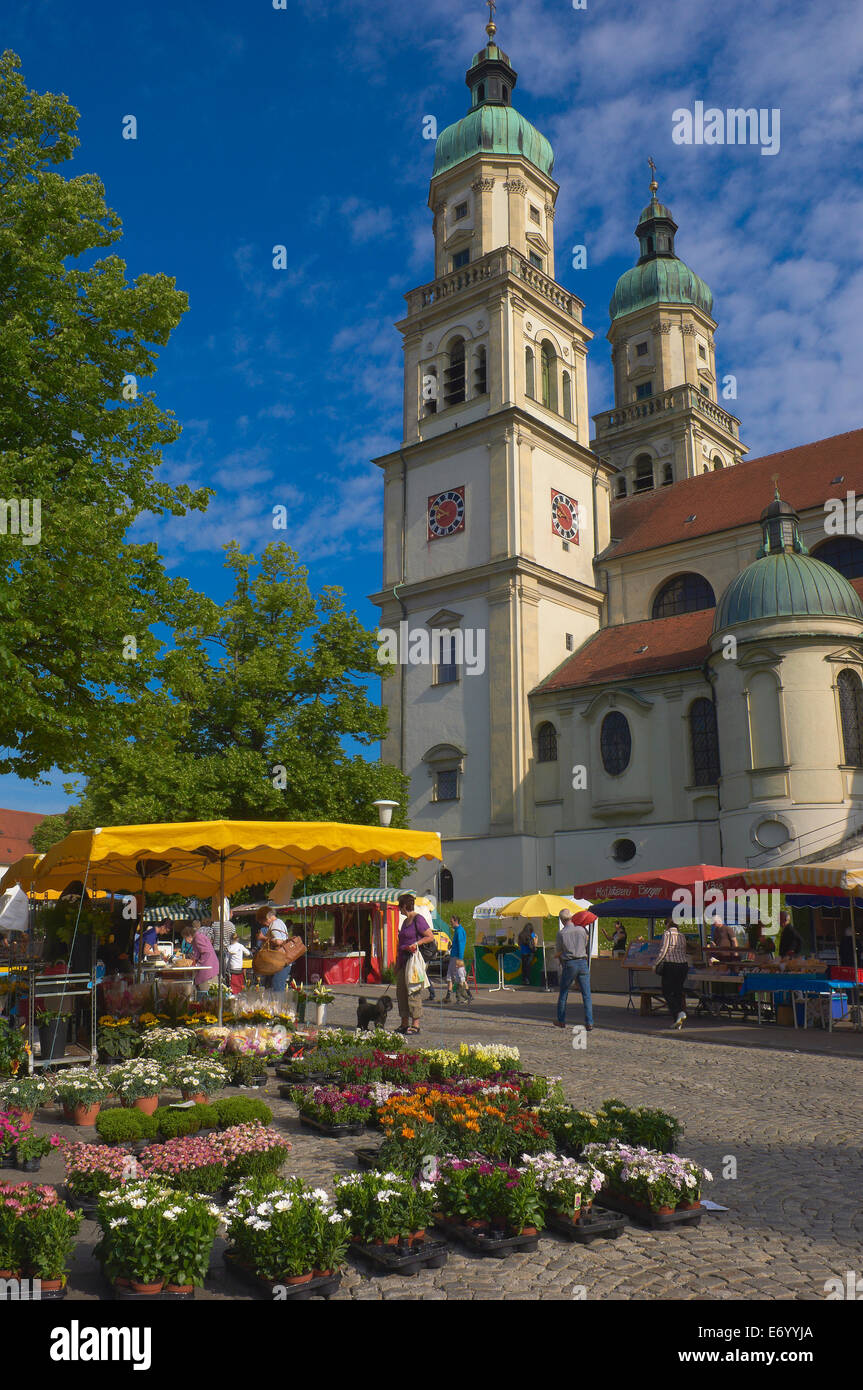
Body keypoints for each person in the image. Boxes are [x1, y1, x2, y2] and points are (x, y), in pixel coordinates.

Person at [395, 892, 435, 1035]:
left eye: (400, 907)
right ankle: (404, 1023)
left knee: (413, 991)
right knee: (401, 993)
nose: (399, 910)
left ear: (405, 906)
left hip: (413, 961)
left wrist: (416, 943)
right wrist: (397, 964)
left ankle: (415, 1024)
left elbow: (430, 936)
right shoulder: (405, 922)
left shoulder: (418, 919)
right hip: (403, 960)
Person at [553, 909, 593, 1031]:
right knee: (586, 995)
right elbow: (586, 943)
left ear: (561, 919)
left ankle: (561, 1020)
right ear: (571, 917)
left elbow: (559, 951)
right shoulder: (581, 930)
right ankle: (589, 1022)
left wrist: (560, 959)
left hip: (570, 963)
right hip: (582, 962)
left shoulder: (561, 934)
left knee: (564, 993)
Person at [655, 918, 689, 1029]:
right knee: (678, 992)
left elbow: (663, 951)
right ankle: (678, 1020)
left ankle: (679, 1012)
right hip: (683, 965)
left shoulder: (667, 934)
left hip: (671, 965)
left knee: (667, 992)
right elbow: (684, 951)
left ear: (668, 924)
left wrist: (655, 964)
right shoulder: (681, 935)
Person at [258, 907, 294, 992]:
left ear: (267, 917)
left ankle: (280, 1004)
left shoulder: (274, 924)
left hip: (280, 960)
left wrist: (263, 938)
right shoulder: (280, 922)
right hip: (284, 960)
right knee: (277, 985)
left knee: (277, 987)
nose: (263, 924)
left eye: (262, 921)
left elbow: (279, 941)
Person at [181, 923, 220, 999]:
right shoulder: (198, 937)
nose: (185, 940)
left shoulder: (198, 938)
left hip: (207, 971)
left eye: (185, 938)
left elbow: (206, 953)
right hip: (209, 969)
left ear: (189, 936)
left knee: (205, 996)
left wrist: (198, 964)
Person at [444, 915, 472, 1004]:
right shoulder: (457, 930)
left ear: (456, 921)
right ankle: (450, 996)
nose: (450, 923)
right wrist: (451, 946)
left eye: (451, 922)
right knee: (450, 976)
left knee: (460, 977)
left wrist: (460, 959)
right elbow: (457, 944)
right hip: (454, 956)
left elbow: (461, 945)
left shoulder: (459, 931)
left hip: (457, 957)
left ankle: (465, 996)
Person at [226, 930, 252, 994]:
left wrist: (226, 968)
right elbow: (248, 953)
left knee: (232, 985)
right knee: (240, 984)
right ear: (238, 939)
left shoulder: (229, 948)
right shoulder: (240, 946)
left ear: (231, 939)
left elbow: (226, 959)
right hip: (239, 968)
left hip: (231, 969)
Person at [517, 921, 538, 985]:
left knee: (524, 967)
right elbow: (535, 944)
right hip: (529, 952)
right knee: (528, 966)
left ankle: (524, 980)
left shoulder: (521, 934)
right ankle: (528, 980)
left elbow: (519, 944)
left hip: (523, 952)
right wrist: (536, 938)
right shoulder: (532, 934)